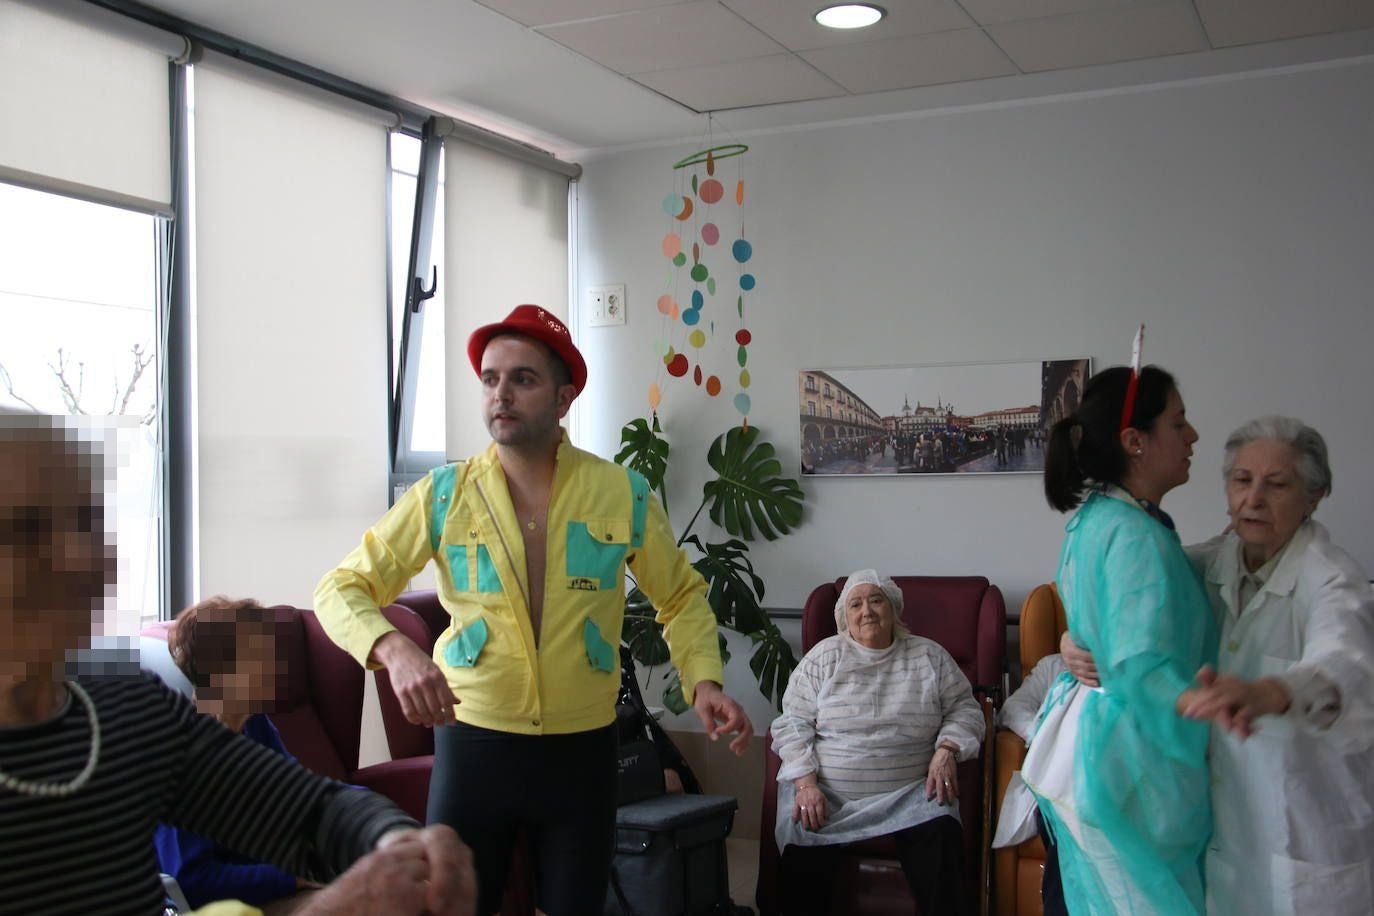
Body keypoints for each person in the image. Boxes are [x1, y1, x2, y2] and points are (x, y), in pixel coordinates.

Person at [313, 305, 752, 916]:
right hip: (474, 741)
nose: (501, 394)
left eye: (523, 379)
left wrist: (703, 681)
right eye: (491, 379)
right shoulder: (444, 495)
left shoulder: (619, 493)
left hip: (582, 748)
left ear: (563, 399)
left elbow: (679, 595)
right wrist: (396, 650)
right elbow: (340, 587)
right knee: (454, 907)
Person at [0, 409, 475, 915]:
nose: (79, 557)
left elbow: (311, 811)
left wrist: (397, 844)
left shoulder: (128, 708)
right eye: (26, 531)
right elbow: (198, 879)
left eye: (88, 522)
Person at [1066, 416, 1374, 914]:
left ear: (1314, 497)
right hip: (1230, 849)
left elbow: (1345, 663)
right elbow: (1127, 590)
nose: (1254, 499)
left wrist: (1272, 693)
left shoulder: (1332, 579)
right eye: (1242, 480)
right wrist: (1072, 638)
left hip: (1311, 847)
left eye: (1277, 484)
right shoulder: (1215, 561)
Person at [1028, 365, 1216, 915]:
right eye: (1178, 422)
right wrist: (1211, 704)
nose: (1192, 436)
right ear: (1135, 441)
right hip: (1122, 764)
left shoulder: (1102, 517)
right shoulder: (1136, 537)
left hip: (1091, 750)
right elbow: (1139, 666)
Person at [769, 569, 984, 916]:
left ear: (893, 608)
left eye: (876, 601)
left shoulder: (929, 656)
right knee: (803, 837)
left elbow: (966, 709)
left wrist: (947, 750)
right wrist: (806, 784)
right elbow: (792, 723)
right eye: (856, 604)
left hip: (911, 794)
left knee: (941, 833)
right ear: (845, 618)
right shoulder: (824, 658)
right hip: (830, 795)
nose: (867, 611)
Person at [154, 597, 320, 913]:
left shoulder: (254, 725)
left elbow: (302, 794)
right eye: (259, 656)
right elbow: (192, 880)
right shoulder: (181, 760)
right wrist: (293, 878)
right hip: (236, 903)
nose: (275, 666)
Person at [991, 652, 1069, 916]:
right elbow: (1013, 708)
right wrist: (1043, 736)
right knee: (1061, 825)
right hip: (1055, 786)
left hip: (1114, 787)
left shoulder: (1129, 669)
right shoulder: (1054, 667)